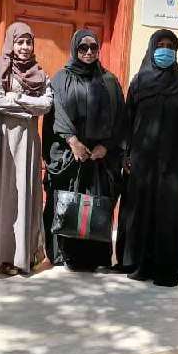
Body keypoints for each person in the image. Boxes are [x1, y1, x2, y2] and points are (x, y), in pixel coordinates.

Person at [115, 29, 178, 286]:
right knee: (140, 210)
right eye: (160, 45)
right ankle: (137, 262)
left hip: (173, 162)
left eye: (170, 46)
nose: (165, 50)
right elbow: (127, 119)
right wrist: (125, 153)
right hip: (141, 161)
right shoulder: (139, 82)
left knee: (169, 212)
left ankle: (166, 266)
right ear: (152, 49)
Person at [43, 29, 126, 271]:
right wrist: (73, 141)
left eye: (93, 47)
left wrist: (106, 146)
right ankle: (63, 254)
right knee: (65, 204)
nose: (89, 52)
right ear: (74, 49)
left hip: (100, 158)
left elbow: (120, 118)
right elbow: (56, 113)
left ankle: (95, 258)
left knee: (97, 206)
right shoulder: (61, 79)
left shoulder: (109, 81)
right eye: (83, 48)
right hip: (70, 156)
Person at [0, 22, 53, 277]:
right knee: (0, 195)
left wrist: (18, 98)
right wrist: (29, 109)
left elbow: (46, 105)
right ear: (11, 42)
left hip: (28, 142)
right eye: (19, 42)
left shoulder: (39, 73)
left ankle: (17, 257)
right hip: (3, 141)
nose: (24, 47)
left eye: (28, 42)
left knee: (23, 195)